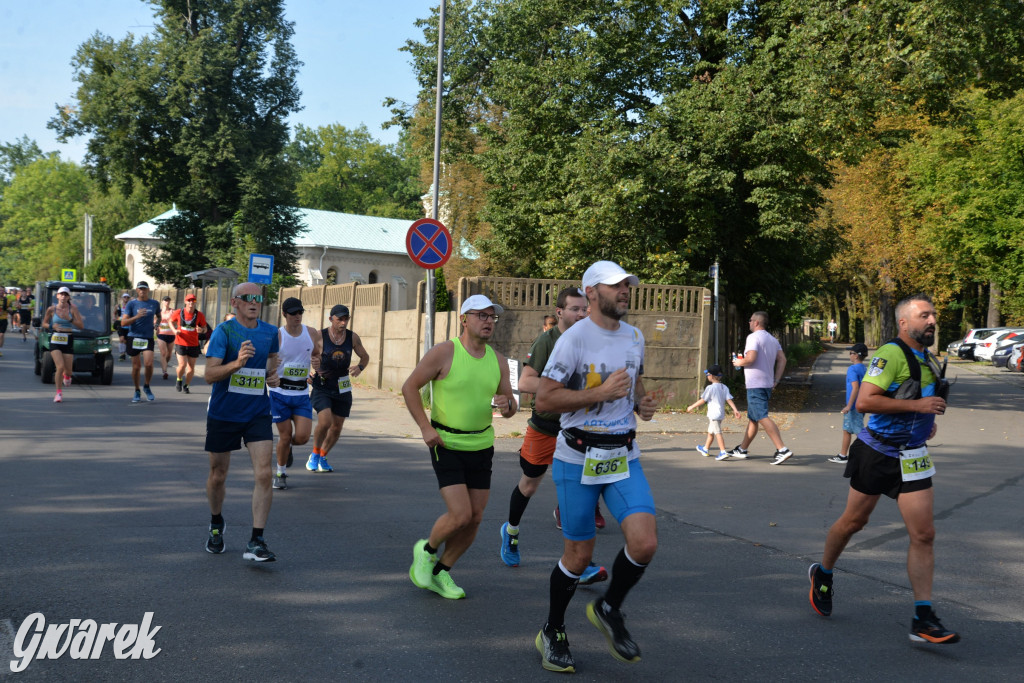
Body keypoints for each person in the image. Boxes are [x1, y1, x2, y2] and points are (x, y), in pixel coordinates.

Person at [809, 293, 959, 645]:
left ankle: (923, 617)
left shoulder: (927, 358)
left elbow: (915, 403)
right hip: (877, 452)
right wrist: (918, 405)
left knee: (924, 534)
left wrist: (924, 422)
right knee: (853, 522)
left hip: (914, 455)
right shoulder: (890, 354)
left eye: (934, 315)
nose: (932, 320)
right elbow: (865, 401)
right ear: (904, 322)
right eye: (925, 315)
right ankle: (824, 573)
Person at [533, 260, 659, 673]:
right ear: (591, 293)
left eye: (627, 285)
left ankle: (608, 607)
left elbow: (635, 387)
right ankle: (552, 629)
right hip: (578, 456)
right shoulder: (573, 340)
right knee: (578, 554)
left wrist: (643, 405)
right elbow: (545, 400)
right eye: (615, 286)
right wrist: (599, 392)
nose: (625, 291)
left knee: (644, 543)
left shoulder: (635, 336)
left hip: (622, 455)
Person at [404, 294, 517, 600]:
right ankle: (426, 552)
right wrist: (425, 427)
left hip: (482, 444)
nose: (488, 322)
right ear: (464, 319)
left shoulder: (499, 361)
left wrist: (508, 405)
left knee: (476, 517)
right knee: (460, 514)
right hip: (446, 442)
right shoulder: (444, 352)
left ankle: (442, 572)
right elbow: (409, 387)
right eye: (481, 316)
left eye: (492, 317)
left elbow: (510, 405)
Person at [499, 287, 606, 583]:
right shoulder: (548, 341)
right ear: (559, 312)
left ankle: (580, 564)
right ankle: (511, 531)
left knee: (578, 491)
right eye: (575, 309)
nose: (582, 314)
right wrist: (564, 390)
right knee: (530, 485)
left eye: (585, 309)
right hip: (545, 427)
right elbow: (526, 381)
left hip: (577, 430)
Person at [203, 282, 281, 562]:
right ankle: (215, 524)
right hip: (224, 412)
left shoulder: (271, 333)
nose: (254, 302)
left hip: (257, 412)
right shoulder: (224, 332)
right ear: (235, 303)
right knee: (218, 475)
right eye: (247, 298)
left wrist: (273, 376)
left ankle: (256, 541)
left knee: (263, 474)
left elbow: (272, 364)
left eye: (258, 298)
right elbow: (209, 375)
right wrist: (236, 364)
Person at [306, 304, 370, 474]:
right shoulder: (320, 336)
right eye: (339, 319)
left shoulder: (352, 337)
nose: (343, 322)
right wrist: (309, 371)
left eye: (346, 319)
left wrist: (360, 367)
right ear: (331, 319)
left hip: (342, 386)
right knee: (325, 421)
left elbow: (365, 356)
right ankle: (314, 454)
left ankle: (323, 456)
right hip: (322, 385)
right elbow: (307, 355)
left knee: (336, 427)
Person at [726, 312, 794, 465]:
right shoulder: (772, 339)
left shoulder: (753, 338)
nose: (749, 322)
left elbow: (750, 359)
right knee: (753, 418)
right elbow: (782, 359)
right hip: (766, 383)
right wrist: (776, 379)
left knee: (761, 416)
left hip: (755, 384)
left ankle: (782, 449)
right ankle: (742, 449)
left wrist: (738, 363)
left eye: (750, 320)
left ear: (756, 322)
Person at [269, 297, 321, 489]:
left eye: (300, 312)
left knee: (302, 437)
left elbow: (317, 354)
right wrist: (272, 364)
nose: (297, 316)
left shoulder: (311, 333)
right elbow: (267, 360)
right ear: (284, 315)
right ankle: (281, 473)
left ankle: (286, 447)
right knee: (284, 435)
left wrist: (317, 363)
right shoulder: (278, 335)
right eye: (293, 313)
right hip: (279, 392)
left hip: (300, 393)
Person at [686, 364, 741, 459]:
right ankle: (705, 449)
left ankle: (723, 451)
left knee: (717, 432)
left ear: (711, 376)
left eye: (707, 374)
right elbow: (729, 399)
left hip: (714, 414)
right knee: (710, 432)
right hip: (720, 414)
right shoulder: (724, 387)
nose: (707, 376)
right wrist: (735, 410)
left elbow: (703, 400)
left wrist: (692, 406)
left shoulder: (710, 388)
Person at [40, 286, 84, 403]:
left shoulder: (73, 309)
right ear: (57, 296)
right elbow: (43, 323)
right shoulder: (51, 309)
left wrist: (69, 319)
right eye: (61, 294)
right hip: (55, 339)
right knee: (59, 367)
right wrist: (51, 326)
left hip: (68, 339)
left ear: (69, 297)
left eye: (66, 294)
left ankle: (67, 376)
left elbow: (81, 326)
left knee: (68, 370)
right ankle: (58, 393)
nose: (63, 296)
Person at [121, 281, 160, 403]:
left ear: (148, 290)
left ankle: (147, 386)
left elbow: (159, 316)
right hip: (134, 337)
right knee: (136, 366)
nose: (142, 291)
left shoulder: (154, 303)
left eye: (144, 289)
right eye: (140, 289)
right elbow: (123, 323)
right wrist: (136, 317)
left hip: (148, 337)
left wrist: (157, 324)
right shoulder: (132, 304)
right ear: (137, 290)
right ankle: (137, 390)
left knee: (148, 363)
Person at [830, 343, 868, 464]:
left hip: (853, 406)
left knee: (859, 431)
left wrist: (848, 405)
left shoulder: (852, 369)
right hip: (861, 404)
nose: (849, 355)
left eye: (851, 353)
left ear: (856, 355)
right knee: (847, 430)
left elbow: (855, 388)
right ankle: (842, 455)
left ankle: (872, 454)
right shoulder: (864, 368)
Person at [169, 293, 208, 394]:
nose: (191, 302)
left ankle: (187, 385)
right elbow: (170, 321)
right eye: (189, 300)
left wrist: (201, 330)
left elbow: (205, 329)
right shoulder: (178, 312)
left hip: (193, 344)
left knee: (191, 367)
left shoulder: (199, 315)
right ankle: (179, 379)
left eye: (193, 301)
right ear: (185, 302)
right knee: (182, 365)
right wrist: (174, 330)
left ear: (195, 303)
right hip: (180, 342)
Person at [157, 296, 175, 380]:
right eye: (165, 300)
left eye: (168, 300)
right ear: (162, 302)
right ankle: (165, 371)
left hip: (171, 334)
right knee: (163, 353)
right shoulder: (159, 312)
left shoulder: (173, 311)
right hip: (161, 334)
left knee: (169, 354)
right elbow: (155, 321)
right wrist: (155, 327)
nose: (167, 302)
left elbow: (176, 321)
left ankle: (165, 364)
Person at [114, 292, 131, 360]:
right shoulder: (118, 306)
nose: (126, 298)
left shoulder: (130, 306)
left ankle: (127, 352)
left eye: (127, 297)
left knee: (126, 340)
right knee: (121, 339)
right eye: (124, 297)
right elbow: (114, 313)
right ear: (122, 298)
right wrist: (115, 318)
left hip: (128, 324)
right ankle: (122, 354)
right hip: (120, 324)